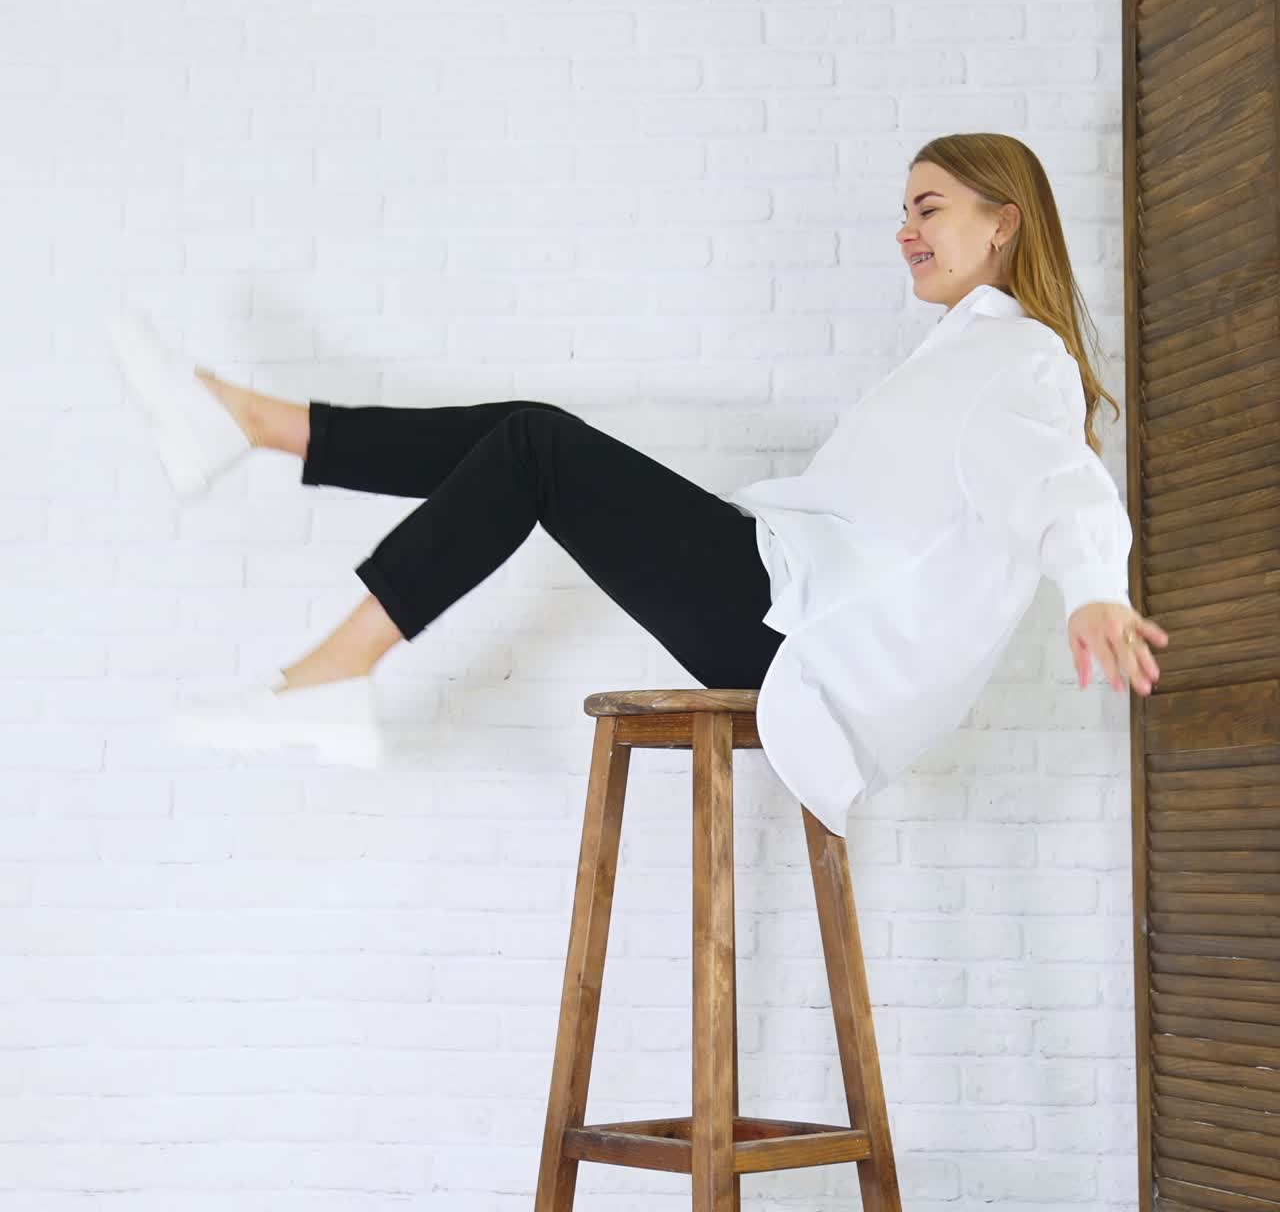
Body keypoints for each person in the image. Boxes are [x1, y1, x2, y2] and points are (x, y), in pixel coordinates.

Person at [109, 132, 1168, 836]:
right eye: (902, 208)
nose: (904, 229)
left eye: (926, 207)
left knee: (533, 445)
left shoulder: (1012, 359)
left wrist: (1093, 585)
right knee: (516, 442)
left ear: (1004, 220)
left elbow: (1055, 477)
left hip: (796, 634)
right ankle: (251, 424)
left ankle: (329, 660)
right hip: (779, 596)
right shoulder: (954, 354)